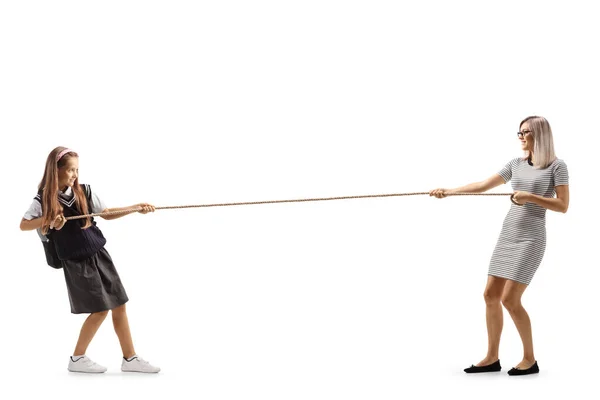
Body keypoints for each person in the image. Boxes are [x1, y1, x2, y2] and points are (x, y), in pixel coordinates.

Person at [430, 116, 569, 376]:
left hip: (531, 238)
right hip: (508, 234)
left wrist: (529, 197)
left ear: (539, 135)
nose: (520, 136)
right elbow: (482, 185)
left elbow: (563, 206)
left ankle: (530, 359)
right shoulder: (515, 164)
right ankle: (492, 357)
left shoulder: (557, 167)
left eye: (525, 132)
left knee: (510, 299)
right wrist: (449, 191)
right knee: (490, 295)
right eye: (519, 131)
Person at [20, 146, 161, 374]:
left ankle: (130, 358)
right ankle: (77, 359)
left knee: (119, 304)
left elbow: (105, 213)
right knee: (100, 310)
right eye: (70, 170)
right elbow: (24, 224)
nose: (75, 174)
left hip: (98, 253)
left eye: (77, 169)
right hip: (76, 261)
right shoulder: (43, 199)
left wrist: (134, 208)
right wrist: (48, 220)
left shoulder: (84, 191)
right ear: (56, 171)